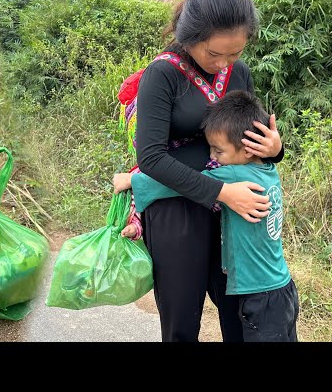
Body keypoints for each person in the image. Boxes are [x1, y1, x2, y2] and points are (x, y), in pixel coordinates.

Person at [112, 0, 284, 342]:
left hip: (231, 213)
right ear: (190, 35)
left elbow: (246, 139)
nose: (224, 64)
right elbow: (152, 158)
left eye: (234, 54)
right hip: (177, 207)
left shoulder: (239, 73)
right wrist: (222, 192)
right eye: (215, 54)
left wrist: (273, 149)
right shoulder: (163, 74)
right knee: (182, 318)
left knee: (239, 314)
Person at [116, 90, 298, 342]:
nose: (212, 158)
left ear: (247, 150)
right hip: (282, 289)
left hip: (258, 295)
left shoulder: (236, 174)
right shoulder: (267, 167)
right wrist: (276, 148)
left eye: (218, 151)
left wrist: (131, 180)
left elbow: (178, 184)